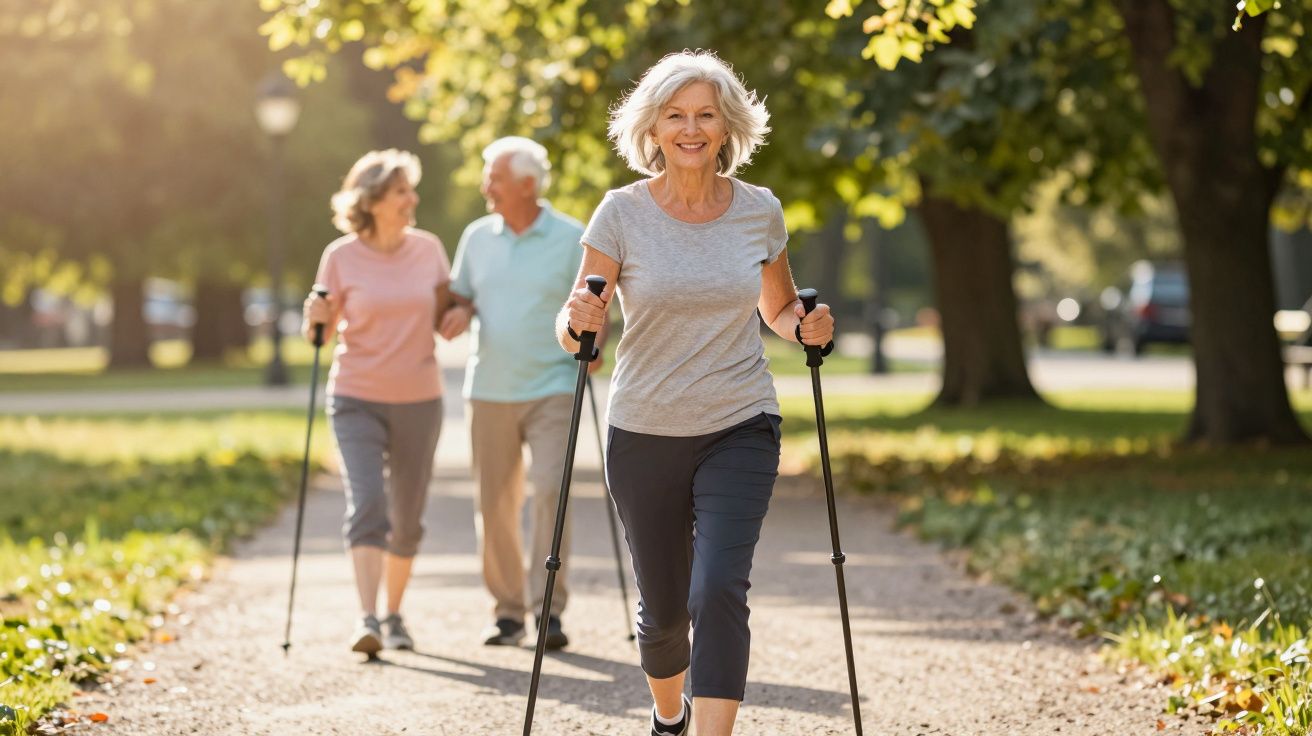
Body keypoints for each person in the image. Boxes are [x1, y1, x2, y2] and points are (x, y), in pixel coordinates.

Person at [558, 51, 835, 736]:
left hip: (740, 420)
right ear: (652, 128)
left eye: (705, 115)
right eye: (676, 116)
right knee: (663, 612)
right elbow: (575, 329)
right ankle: (668, 714)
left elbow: (777, 307)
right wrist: (577, 325)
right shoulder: (619, 213)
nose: (690, 128)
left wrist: (807, 324)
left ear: (726, 125)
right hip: (644, 427)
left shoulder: (758, 210)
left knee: (717, 589)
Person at [301, 149, 452, 656]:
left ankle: (394, 614)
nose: (412, 200)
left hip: (419, 398)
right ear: (374, 201)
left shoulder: (429, 249)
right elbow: (317, 333)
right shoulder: (340, 256)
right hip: (356, 396)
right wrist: (315, 314)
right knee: (368, 503)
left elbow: (446, 317)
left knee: (407, 516)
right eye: (401, 192)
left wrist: (465, 312)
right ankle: (367, 617)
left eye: (410, 190)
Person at [438, 137, 586, 650]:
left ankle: (549, 610)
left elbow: (596, 304)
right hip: (491, 389)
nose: (486, 187)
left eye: (494, 178)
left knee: (549, 490)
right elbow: (461, 297)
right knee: (495, 504)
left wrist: (595, 344)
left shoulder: (573, 237)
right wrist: (457, 313)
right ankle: (507, 611)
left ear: (527, 184)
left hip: (554, 385)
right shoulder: (477, 237)